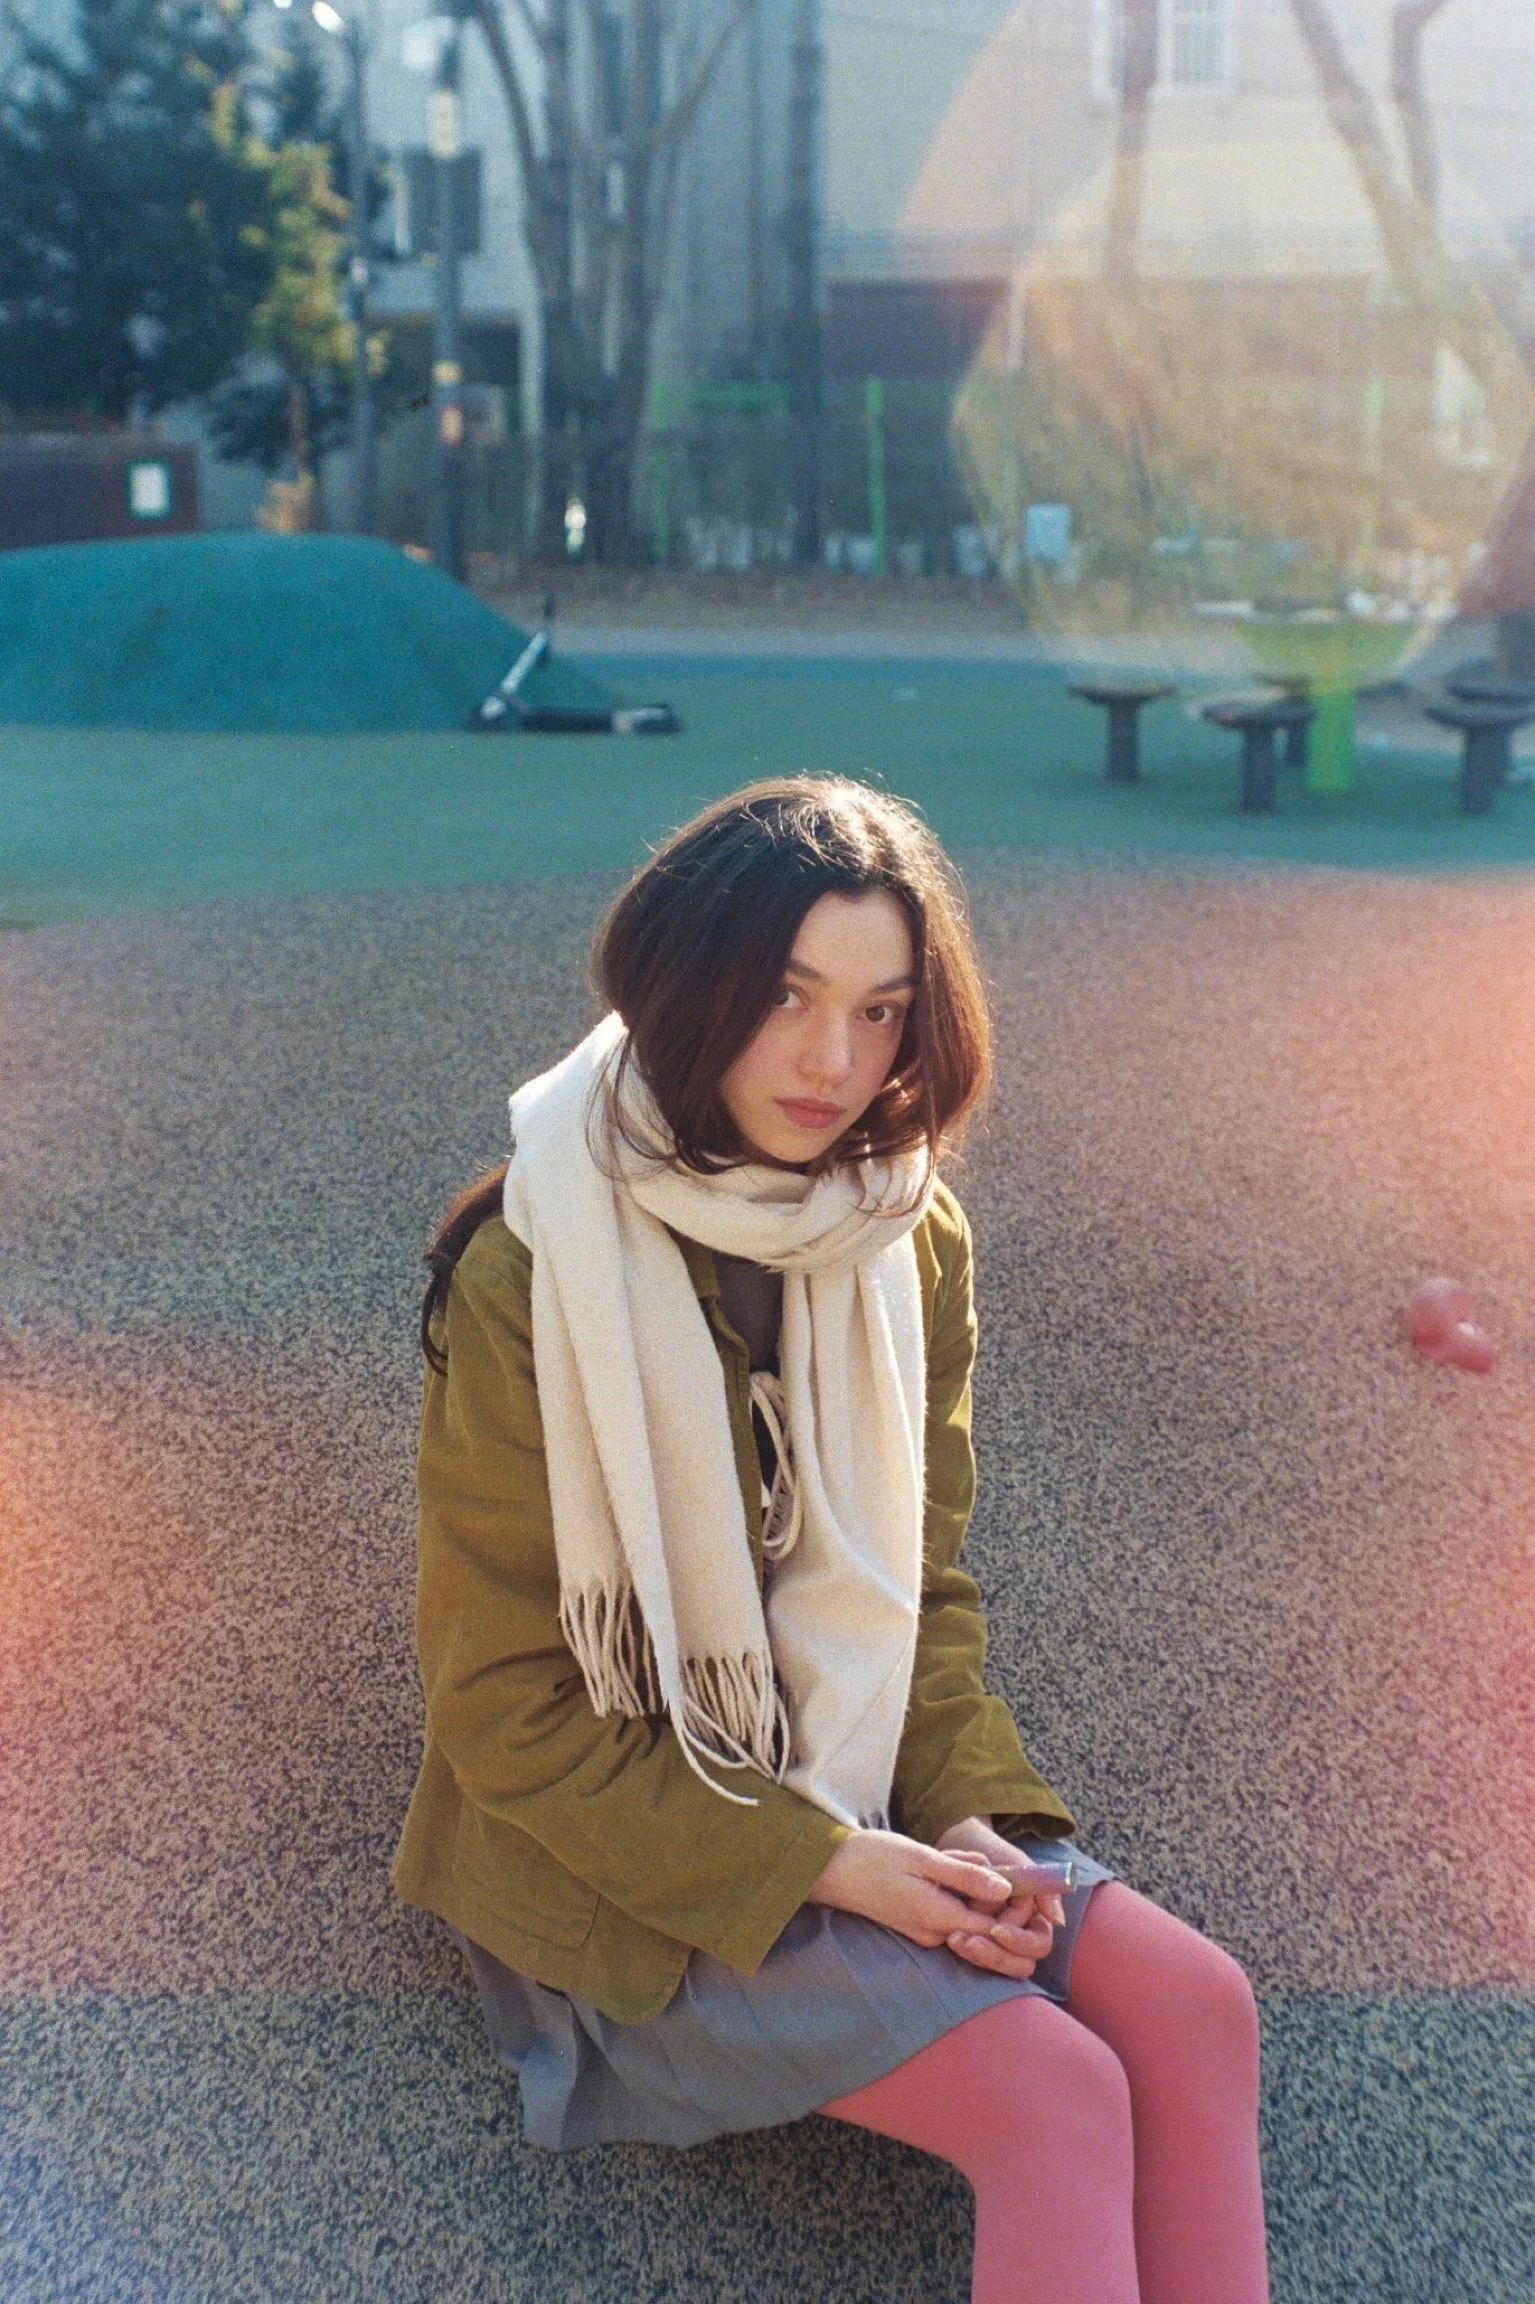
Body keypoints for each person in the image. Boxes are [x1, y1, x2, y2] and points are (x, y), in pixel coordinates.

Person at [392, 777, 1270, 2304]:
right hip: (634, 1852)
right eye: (783, 997)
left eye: (879, 1013)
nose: (833, 1062)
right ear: (686, 986)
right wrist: (828, 1863)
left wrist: (967, 1813)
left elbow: (913, 1591)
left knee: (1195, 2004)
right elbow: (505, 1711)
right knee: (1053, 2094)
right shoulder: (531, 1266)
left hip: (857, 1771)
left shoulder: (902, 1235)